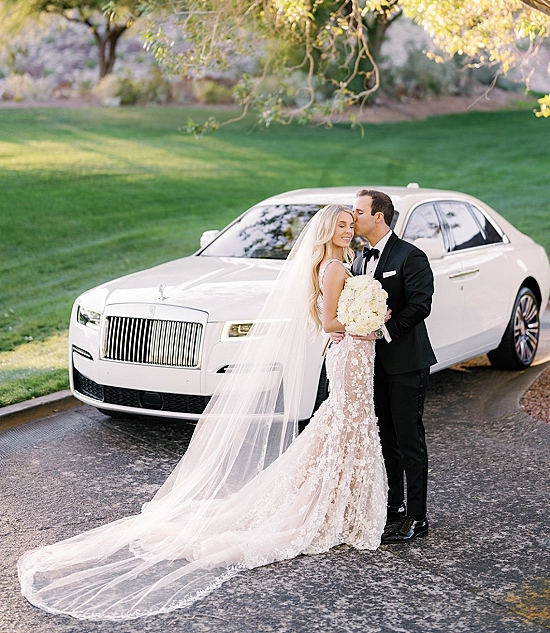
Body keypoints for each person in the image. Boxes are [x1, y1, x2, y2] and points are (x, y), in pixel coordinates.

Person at [18, 205, 389, 621]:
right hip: (350, 347)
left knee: (344, 422)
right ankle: (334, 501)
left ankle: (339, 497)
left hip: (350, 352)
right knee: (346, 420)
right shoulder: (334, 268)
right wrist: (368, 320)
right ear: (324, 230)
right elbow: (328, 322)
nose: (346, 230)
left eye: (349, 225)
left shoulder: (337, 263)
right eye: (339, 225)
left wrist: (363, 316)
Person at [352, 189, 436, 544]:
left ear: (379, 217)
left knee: (409, 438)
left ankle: (418, 517)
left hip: (406, 363)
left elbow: (420, 305)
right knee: (386, 438)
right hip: (373, 365)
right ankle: (394, 508)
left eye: (358, 212)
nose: (353, 217)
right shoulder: (357, 259)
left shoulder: (410, 256)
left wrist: (383, 330)